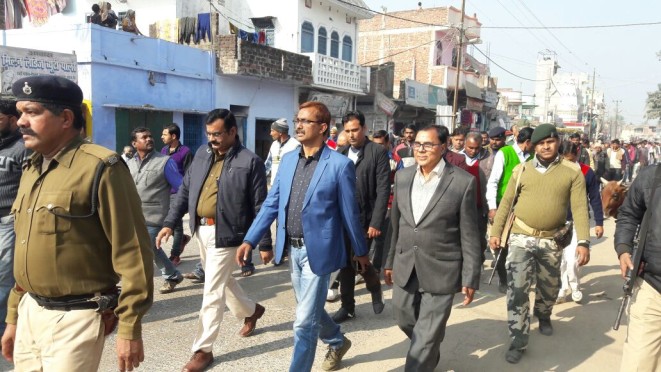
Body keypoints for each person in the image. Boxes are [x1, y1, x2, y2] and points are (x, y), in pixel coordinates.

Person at [1, 75, 153, 371]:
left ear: (66, 118)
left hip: (76, 317)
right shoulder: (33, 167)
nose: (20, 121)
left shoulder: (101, 167)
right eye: (20, 112)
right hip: (30, 310)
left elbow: (132, 252)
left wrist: (130, 327)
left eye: (31, 112)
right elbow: (25, 248)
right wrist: (13, 317)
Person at [237, 101, 370, 372]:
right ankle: (336, 340)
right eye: (297, 119)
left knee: (302, 322)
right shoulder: (287, 161)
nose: (298, 125)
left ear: (323, 127)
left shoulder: (339, 165)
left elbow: (349, 212)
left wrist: (360, 250)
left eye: (305, 121)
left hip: (319, 252)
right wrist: (251, 239)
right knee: (309, 311)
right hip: (292, 250)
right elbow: (272, 203)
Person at [156, 109, 270, 371]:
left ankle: (203, 350)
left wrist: (264, 243)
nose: (212, 139)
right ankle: (252, 311)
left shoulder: (249, 161)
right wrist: (169, 223)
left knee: (211, 292)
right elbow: (184, 191)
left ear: (232, 132)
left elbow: (261, 205)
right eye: (209, 134)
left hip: (228, 234)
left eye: (217, 134)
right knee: (222, 280)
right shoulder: (202, 154)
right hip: (202, 230)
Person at [489, 124, 591, 364]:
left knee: (550, 286)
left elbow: (579, 208)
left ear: (558, 143)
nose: (546, 146)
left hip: (552, 239)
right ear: (534, 145)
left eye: (551, 141)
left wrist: (584, 241)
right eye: (541, 142)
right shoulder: (521, 170)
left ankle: (544, 314)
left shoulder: (572, 172)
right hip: (520, 236)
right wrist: (495, 232)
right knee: (517, 290)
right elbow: (506, 204)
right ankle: (518, 340)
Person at [384, 124, 482, 371]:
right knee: (404, 318)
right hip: (406, 265)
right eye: (417, 144)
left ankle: (424, 351)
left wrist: (470, 277)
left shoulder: (462, 182)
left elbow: (470, 234)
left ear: (443, 147)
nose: (421, 149)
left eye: (428, 144)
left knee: (425, 338)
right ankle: (429, 346)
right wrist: (388, 262)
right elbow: (395, 226)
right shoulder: (403, 177)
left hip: (442, 268)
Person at [332, 111, 389, 322]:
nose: (351, 135)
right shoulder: (340, 153)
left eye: (355, 130)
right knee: (346, 263)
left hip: (366, 219)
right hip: (343, 219)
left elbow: (383, 189)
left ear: (364, 129)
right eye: (347, 131)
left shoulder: (377, 152)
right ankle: (348, 307)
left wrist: (376, 222)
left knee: (359, 260)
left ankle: (374, 287)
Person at [614, 163, 660, 372]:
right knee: (638, 363)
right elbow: (629, 214)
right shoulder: (652, 176)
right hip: (652, 287)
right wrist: (624, 249)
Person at [128, 127, 184, 294]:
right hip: (134, 216)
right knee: (152, 249)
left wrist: (175, 211)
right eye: (144, 137)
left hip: (156, 216)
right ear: (134, 143)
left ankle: (140, 289)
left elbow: (181, 188)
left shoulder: (165, 162)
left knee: (147, 247)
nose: (149, 139)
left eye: (150, 136)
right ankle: (172, 274)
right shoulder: (129, 164)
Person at [485, 127, 534, 293]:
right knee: (500, 244)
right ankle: (503, 279)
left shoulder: (533, 157)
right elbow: (493, 181)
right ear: (527, 142)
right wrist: (492, 207)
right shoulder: (504, 153)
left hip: (525, 207)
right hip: (503, 206)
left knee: (521, 244)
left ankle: (519, 277)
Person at [556, 142, 604, 304]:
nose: (568, 163)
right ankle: (562, 288)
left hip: (577, 222)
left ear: (577, 155)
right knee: (560, 260)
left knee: (573, 260)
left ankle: (575, 286)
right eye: (565, 160)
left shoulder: (586, 172)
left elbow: (595, 198)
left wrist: (599, 222)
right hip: (557, 222)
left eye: (571, 159)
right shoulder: (555, 170)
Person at [0, 99, 29, 337]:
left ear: (12, 120)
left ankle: (4, 326)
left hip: (10, 220)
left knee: (4, 275)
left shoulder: (24, 147)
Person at [161, 123, 193, 265]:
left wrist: (187, 195)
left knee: (177, 224)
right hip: (164, 192)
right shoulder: (163, 150)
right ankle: (183, 239)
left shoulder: (185, 152)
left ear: (173, 136)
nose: (162, 137)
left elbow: (189, 174)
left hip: (178, 193)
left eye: (165, 134)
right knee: (165, 221)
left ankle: (175, 255)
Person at [265, 118, 300, 186]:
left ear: (280, 132)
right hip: (274, 185)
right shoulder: (274, 145)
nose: (270, 133)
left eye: (272, 131)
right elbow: (268, 164)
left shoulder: (295, 145)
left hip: (288, 186)